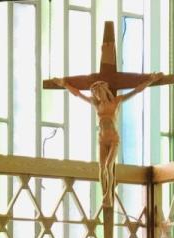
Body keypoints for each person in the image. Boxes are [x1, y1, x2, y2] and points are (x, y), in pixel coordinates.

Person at [50, 74, 165, 216]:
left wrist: (150, 81)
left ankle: (108, 196)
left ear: (104, 90)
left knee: (108, 166)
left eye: (97, 92)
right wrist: (64, 84)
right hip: (102, 138)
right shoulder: (96, 104)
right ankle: (105, 194)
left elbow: (136, 91)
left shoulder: (116, 101)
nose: (96, 95)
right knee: (101, 168)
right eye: (94, 93)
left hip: (113, 138)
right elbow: (78, 95)